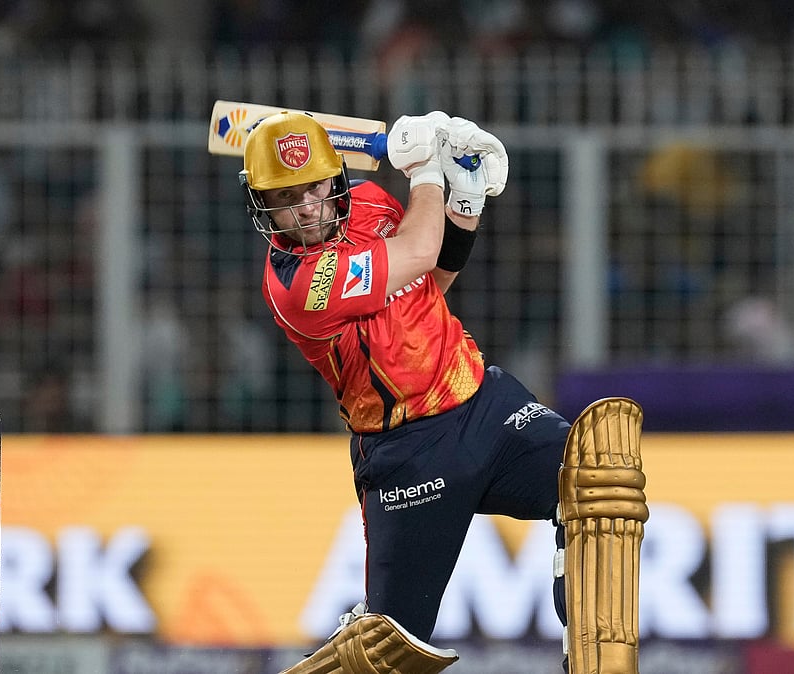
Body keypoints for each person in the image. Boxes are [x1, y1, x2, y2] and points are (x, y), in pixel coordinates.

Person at [236, 111, 648, 673]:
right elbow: (416, 254)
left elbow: (427, 282)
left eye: (312, 188)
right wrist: (428, 169)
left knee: (597, 474)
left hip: (483, 407)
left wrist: (465, 202)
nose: (306, 207)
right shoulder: (297, 283)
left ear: (334, 180)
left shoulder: (373, 203)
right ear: (264, 205)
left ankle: (593, 655)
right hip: (408, 455)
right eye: (287, 197)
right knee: (388, 651)